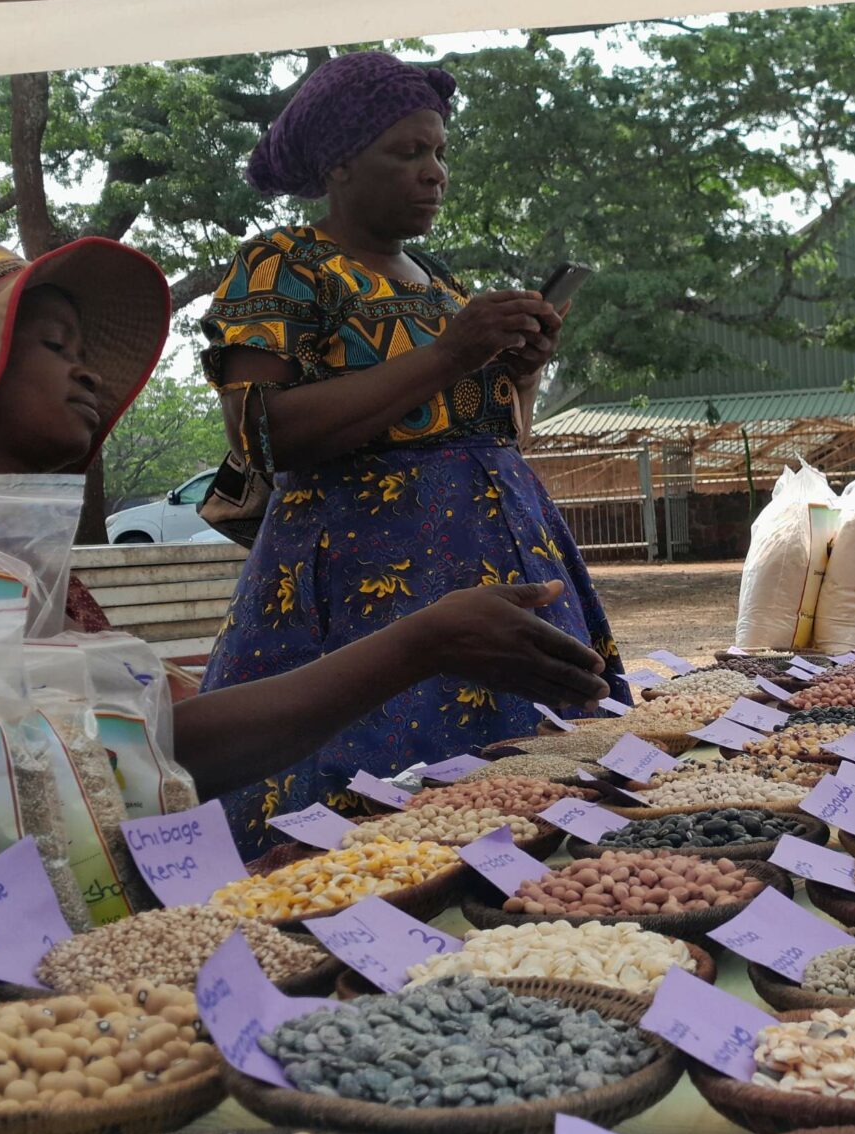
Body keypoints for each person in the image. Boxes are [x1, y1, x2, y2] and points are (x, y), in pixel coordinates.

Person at [0, 233, 612, 803]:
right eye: (53, 344)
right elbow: (107, 754)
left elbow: (104, 731)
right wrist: (420, 643)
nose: (86, 374)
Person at [196, 50, 624, 848]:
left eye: (439, 153)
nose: (434, 172)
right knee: (366, 817)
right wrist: (450, 356)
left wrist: (519, 378)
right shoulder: (285, 264)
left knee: (527, 798)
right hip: (369, 587)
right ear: (341, 164)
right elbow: (262, 431)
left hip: (503, 567)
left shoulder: (438, 284)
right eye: (409, 152)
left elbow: (492, 439)